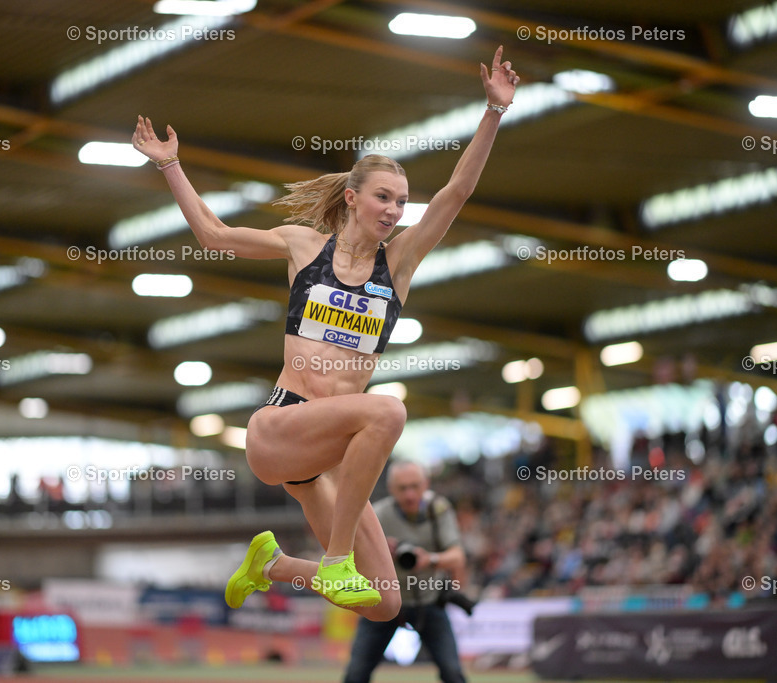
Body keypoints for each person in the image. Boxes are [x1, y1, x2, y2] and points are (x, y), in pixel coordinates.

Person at [131, 47, 519, 621]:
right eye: (384, 197)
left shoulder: (400, 265)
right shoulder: (303, 246)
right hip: (280, 427)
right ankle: (336, 557)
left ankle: (276, 566)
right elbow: (213, 235)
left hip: (331, 459)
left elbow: (456, 193)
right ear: (352, 197)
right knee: (386, 412)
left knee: (386, 604)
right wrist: (169, 164)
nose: (394, 211)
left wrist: (493, 112)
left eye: (402, 203)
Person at [343, 460, 469, 683]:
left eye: (415, 486)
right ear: (391, 489)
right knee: (355, 674)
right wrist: (380, 553)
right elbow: (353, 560)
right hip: (383, 603)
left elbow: (458, 557)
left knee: (453, 672)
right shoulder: (377, 515)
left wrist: (428, 559)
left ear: (426, 484)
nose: (410, 495)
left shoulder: (439, 510)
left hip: (429, 601)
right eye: (403, 488)